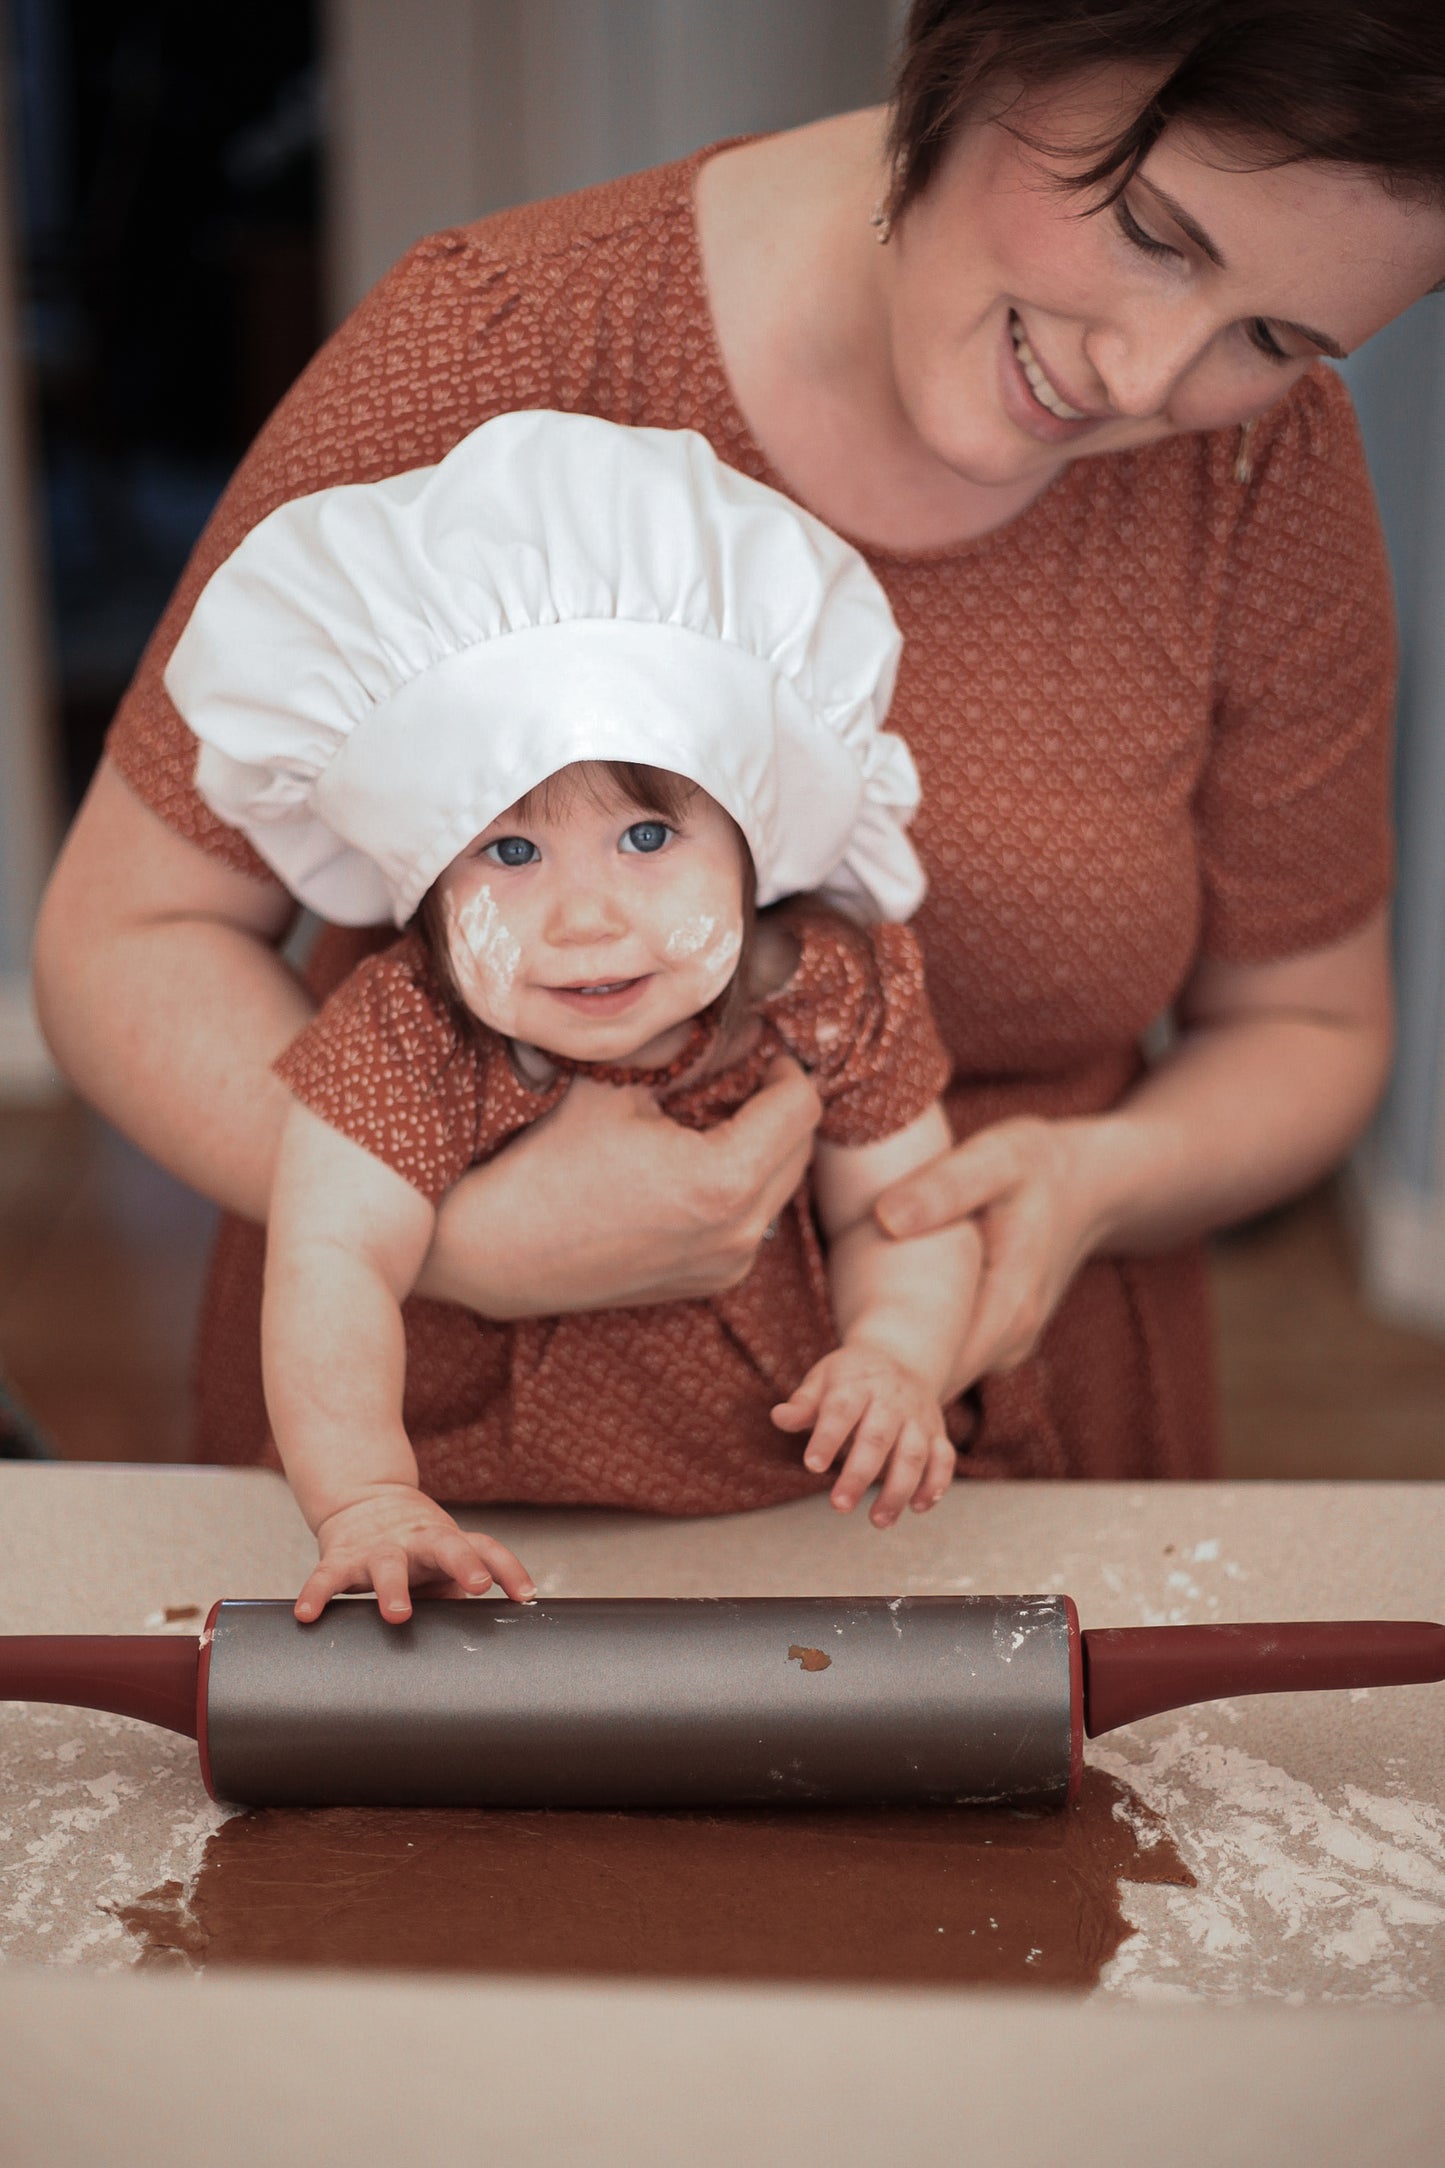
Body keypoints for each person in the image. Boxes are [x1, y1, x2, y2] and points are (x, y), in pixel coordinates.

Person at [34, 3, 1445, 1485]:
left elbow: (1310, 1029)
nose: (1147, 379)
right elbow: (122, 943)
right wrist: (463, 1235)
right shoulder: (494, 339)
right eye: (1154, 231)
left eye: (1274, 337)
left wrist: (1099, 1184)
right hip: (443, 1458)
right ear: (992, 41)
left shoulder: (1258, 470)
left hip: (988, 1440)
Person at [164, 410, 977, 1616]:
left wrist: (897, 1354)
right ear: (426, 890)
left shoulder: (829, 990)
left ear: (752, 846)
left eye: (647, 835)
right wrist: (369, 1498)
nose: (586, 918)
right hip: (477, 1529)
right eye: (508, 849)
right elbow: (330, 1261)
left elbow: (900, 1215)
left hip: (781, 1520)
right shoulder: (408, 1031)